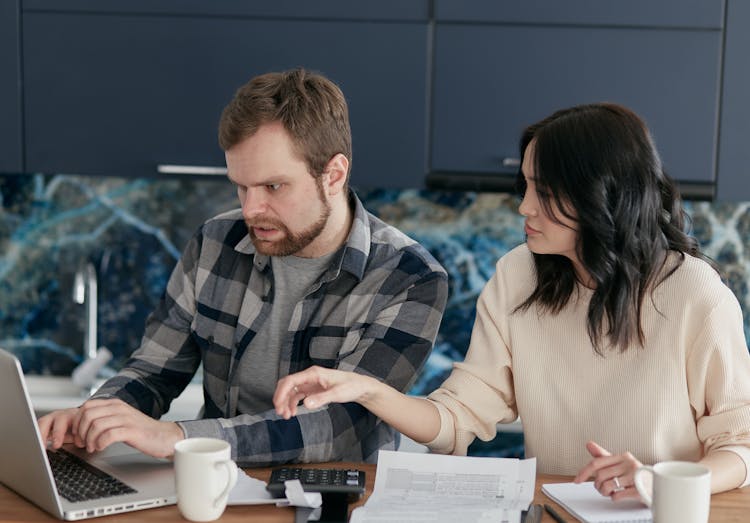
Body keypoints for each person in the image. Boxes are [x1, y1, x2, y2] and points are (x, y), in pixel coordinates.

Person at [274, 102, 750, 497]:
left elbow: (741, 447)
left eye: (544, 193)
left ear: (601, 195)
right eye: (525, 187)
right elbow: (458, 417)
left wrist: (658, 481)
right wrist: (366, 389)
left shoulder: (695, 294)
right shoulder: (517, 275)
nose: (524, 207)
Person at [38, 68, 449, 466]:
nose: (251, 210)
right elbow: (154, 370)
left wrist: (179, 438)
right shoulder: (215, 241)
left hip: (334, 501)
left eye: (273, 186)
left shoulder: (410, 278)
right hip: (213, 486)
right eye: (241, 185)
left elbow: (335, 427)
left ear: (334, 175)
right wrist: (96, 416)